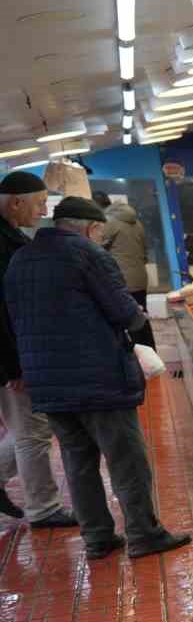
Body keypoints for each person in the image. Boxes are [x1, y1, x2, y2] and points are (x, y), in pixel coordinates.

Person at [3, 196, 189, 559]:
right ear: (91, 228)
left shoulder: (19, 260)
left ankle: (98, 538)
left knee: (78, 462)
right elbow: (124, 313)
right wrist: (136, 316)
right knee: (126, 460)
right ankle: (143, 534)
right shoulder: (89, 255)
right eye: (100, 231)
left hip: (47, 383)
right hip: (98, 379)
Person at [0, 171, 74, 528]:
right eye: (40, 203)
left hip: (18, 353)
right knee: (32, 431)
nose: (44, 211)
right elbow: (3, 311)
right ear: (16, 202)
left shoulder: (11, 238)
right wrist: (15, 367)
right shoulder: (3, 244)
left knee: (25, 428)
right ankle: (43, 509)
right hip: (12, 358)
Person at [99, 195, 156, 350]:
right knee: (143, 319)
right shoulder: (136, 221)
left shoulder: (108, 222)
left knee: (131, 322)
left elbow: (96, 248)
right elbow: (145, 251)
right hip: (140, 277)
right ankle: (153, 357)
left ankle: (141, 364)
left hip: (123, 280)